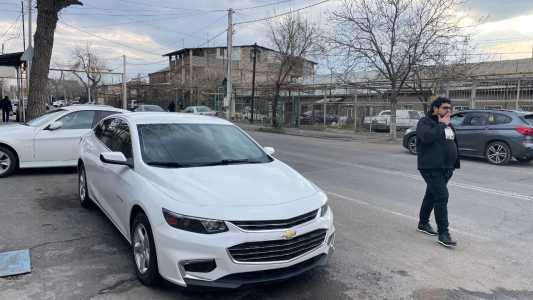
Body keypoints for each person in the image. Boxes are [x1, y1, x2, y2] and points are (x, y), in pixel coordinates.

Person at [416, 96, 460, 248]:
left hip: (446, 168)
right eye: (445, 108)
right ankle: (443, 233)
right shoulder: (424, 122)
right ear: (435, 109)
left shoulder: (449, 125)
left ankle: (422, 223)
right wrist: (441, 125)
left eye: (450, 108)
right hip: (430, 167)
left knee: (431, 195)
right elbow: (427, 138)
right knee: (442, 196)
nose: (449, 110)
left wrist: (454, 164)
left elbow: (452, 142)